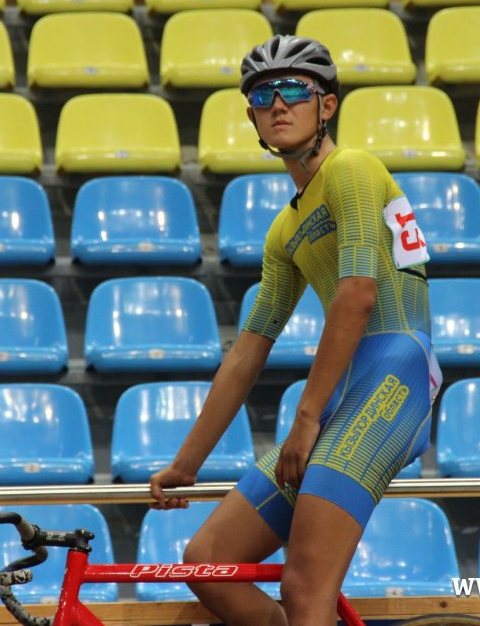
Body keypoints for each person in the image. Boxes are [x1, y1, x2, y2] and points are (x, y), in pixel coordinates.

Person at [149, 35, 442, 626]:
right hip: (344, 393)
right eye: (263, 96)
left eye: (293, 90)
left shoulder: (351, 169)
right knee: (206, 562)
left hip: (396, 374)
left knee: (306, 587)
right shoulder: (284, 231)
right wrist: (186, 464)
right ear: (252, 117)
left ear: (327, 106)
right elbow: (247, 353)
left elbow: (357, 295)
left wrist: (306, 418)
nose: (278, 104)